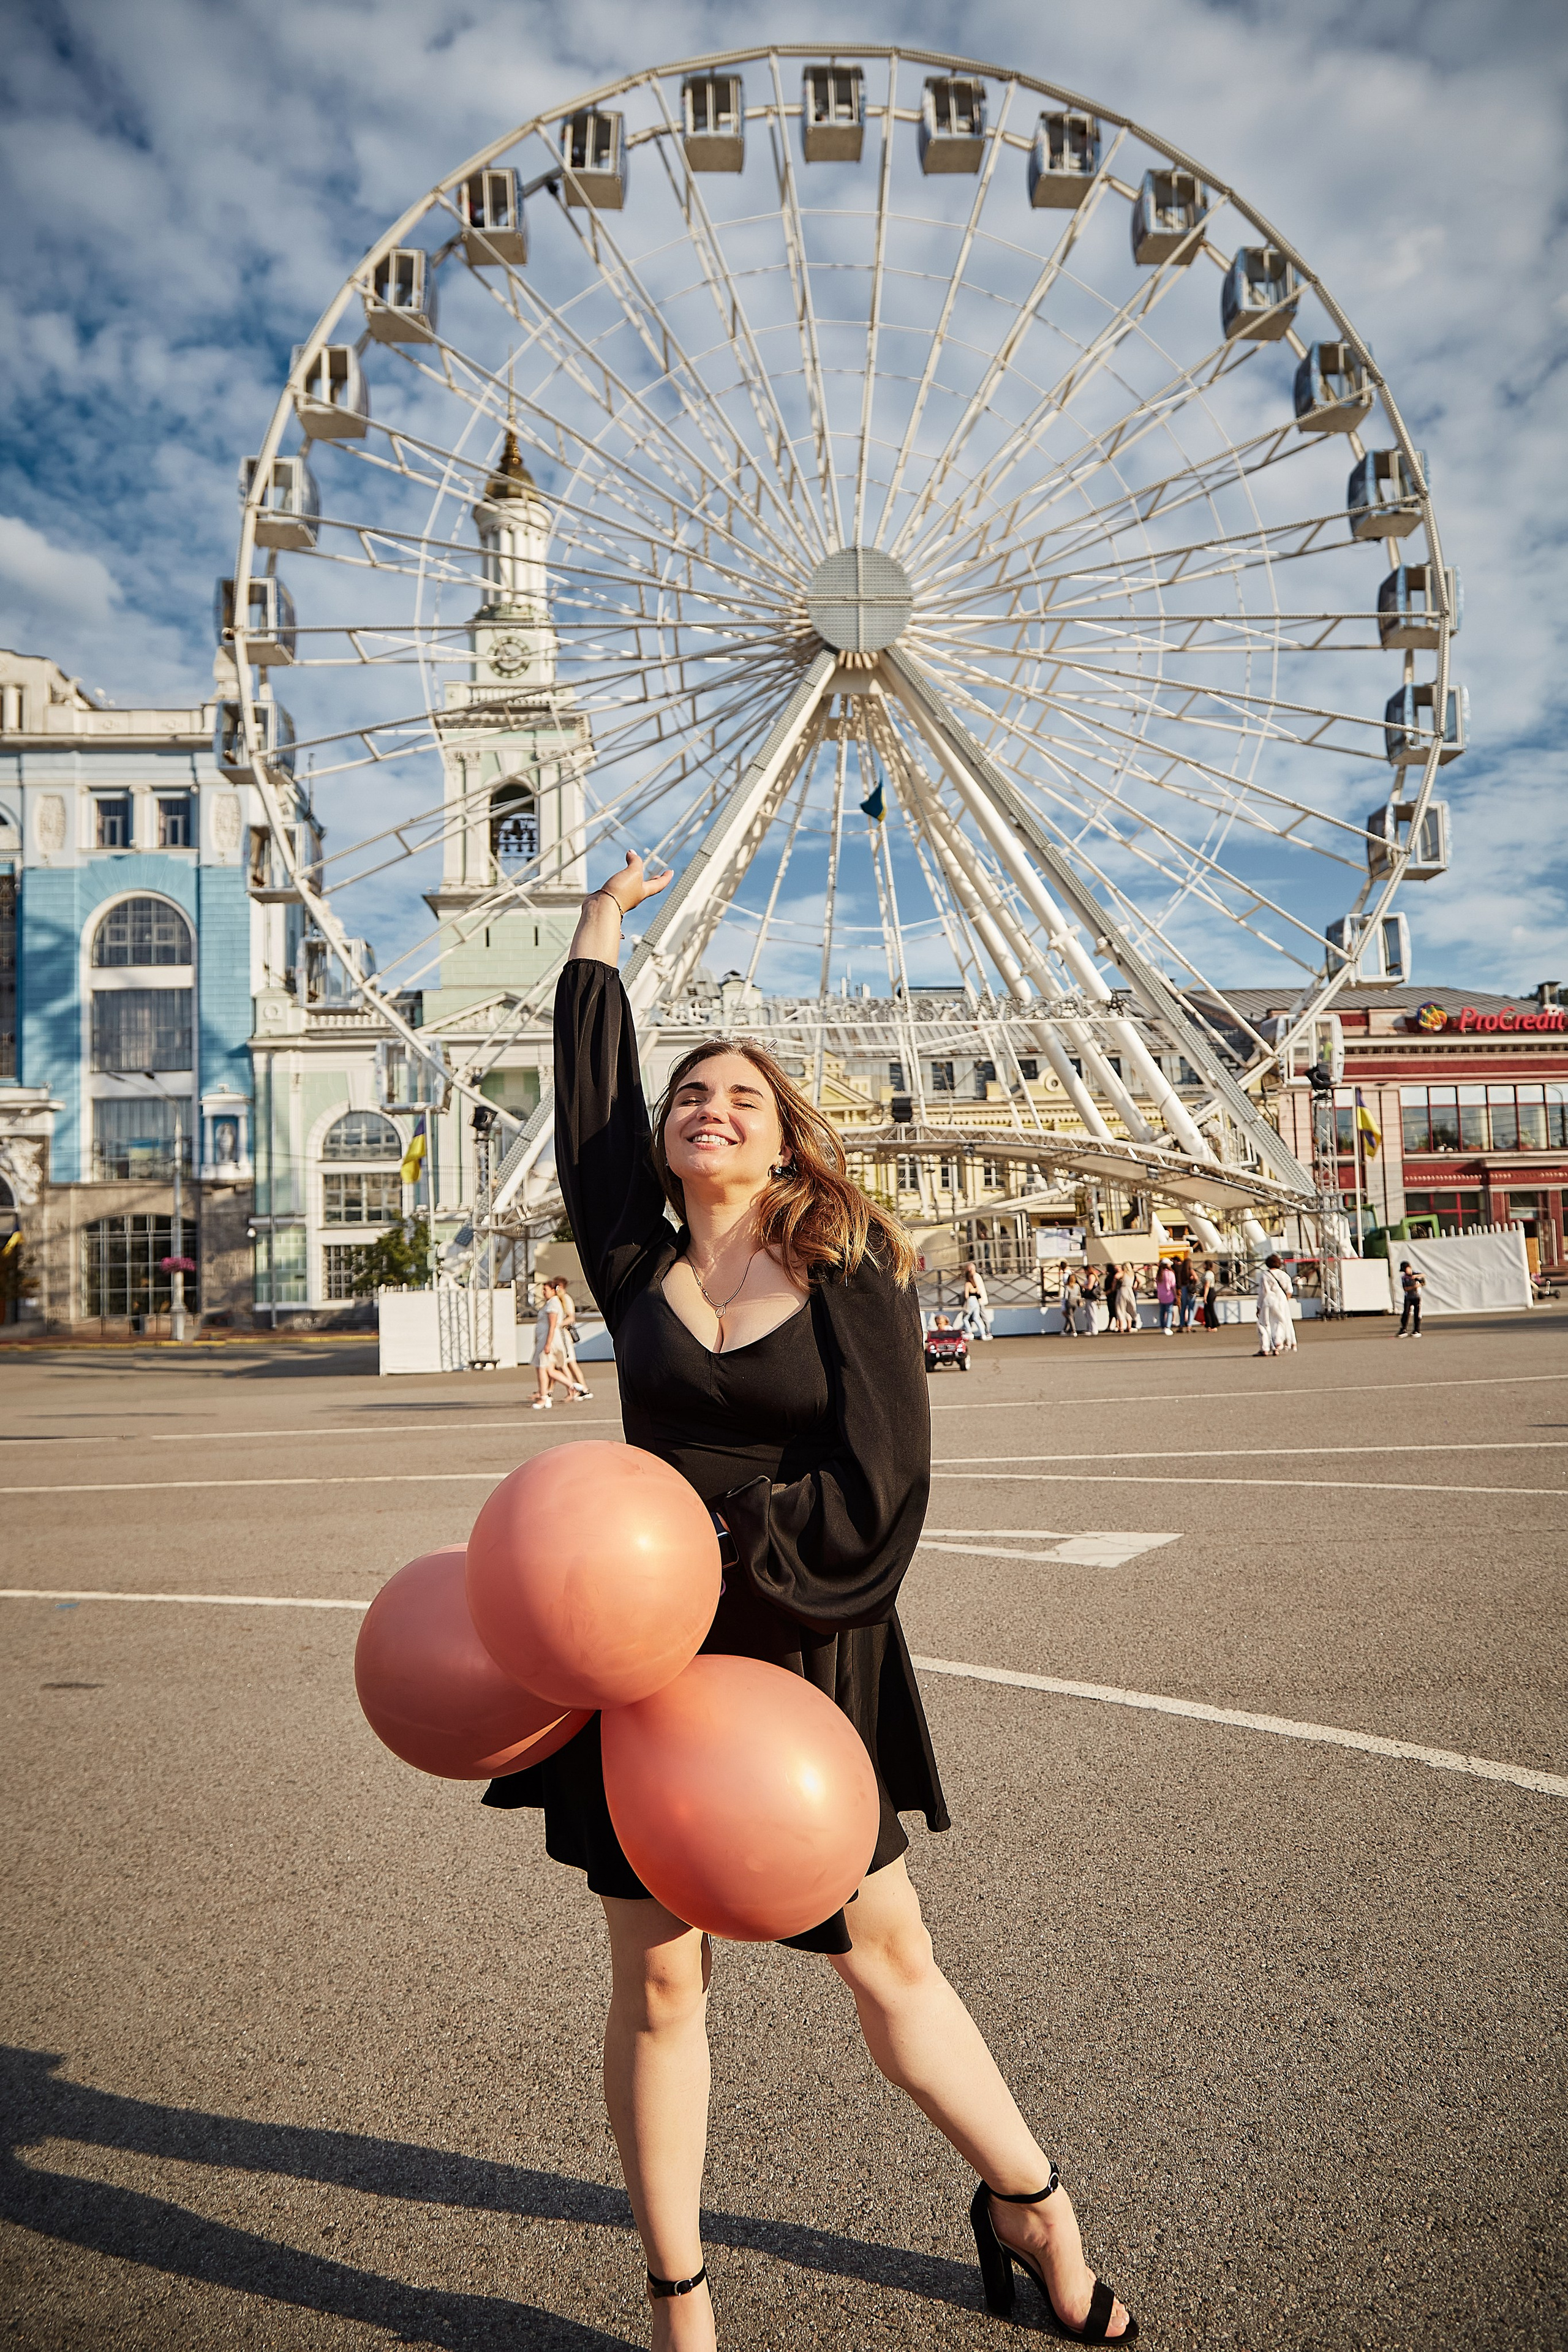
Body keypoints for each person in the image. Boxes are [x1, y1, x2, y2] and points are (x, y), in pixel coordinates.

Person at [487, 854, 1136, 2348]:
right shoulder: (632, 1258)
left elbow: (884, 1479)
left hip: (800, 1640)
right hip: (644, 1653)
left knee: (887, 1959)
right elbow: (587, 1113)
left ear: (786, 1138)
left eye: (739, 1096)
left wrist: (718, 1542)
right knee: (658, 1984)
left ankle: (1031, 2201)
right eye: (686, 1095)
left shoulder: (844, 1258)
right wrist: (598, 936)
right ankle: (678, 2296)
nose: (705, 1108)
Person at [529, 1278, 576, 1409]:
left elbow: (552, 1325)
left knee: (542, 1367)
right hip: (546, 1339)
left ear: (553, 1291)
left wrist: (548, 1344)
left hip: (548, 1339)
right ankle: (572, 1386)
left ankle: (544, 1397)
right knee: (549, 1369)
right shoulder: (551, 1303)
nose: (544, 1292)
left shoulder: (553, 1304)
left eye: (546, 1290)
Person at [552, 1275, 594, 1400]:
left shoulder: (566, 1299)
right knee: (563, 1365)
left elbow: (571, 1318)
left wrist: (557, 1325)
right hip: (561, 1336)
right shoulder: (559, 1299)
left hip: (564, 1336)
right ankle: (549, 1392)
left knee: (570, 1364)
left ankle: (582, 1389)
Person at [1254, 1254, 1297, 1357]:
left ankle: (1265, 1348)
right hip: (1282, 1301)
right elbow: (1290, 1291)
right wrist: (1284, 1301)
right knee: (1280, 1323)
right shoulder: (1284, 1275)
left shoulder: (1265, 1275)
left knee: (1264, 1324)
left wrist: (1259, 1306)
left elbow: (1263, 1292)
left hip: (1269, 1301)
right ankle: (1277, 1345)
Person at [960, 1259, 992, 1341]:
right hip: (977, 1300)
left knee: (969, 1317)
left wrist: (970, 1291)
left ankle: (974, 1332)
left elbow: (976, 1290)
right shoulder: (976, 1276)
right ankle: (984, 1333)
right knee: (976, 1317)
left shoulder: (974, 1277)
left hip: (977, 1300)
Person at [1396, 1259, 1425, 1338]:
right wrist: (1414, 1287)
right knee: (1406, 1313)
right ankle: (1403, 1329)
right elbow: (1406, 1289)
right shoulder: (1404, 1278)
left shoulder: (1416, 1274)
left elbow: (1423, 1277)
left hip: (1417, 1297)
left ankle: (1416, 1330)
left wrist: (1416, 1277)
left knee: (1417, 1314)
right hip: (1408, 1297)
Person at [1154, 1258, 1177, 1336]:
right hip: (1169, 1295)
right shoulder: (1170, 1273)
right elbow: (1173, 1286)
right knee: (1169, 1311)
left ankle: (1163, 1326)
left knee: (1162, 1311)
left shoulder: (1159, 1274)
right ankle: (1168, 1326)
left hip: (1161, 1295)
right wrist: (1175, 1295)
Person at [1059, 1264, 1082, 1337]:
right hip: (1075, 1302)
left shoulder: (1067, 1287)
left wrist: (1064, 1304)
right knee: (1071, 1316)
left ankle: (1074, 1330)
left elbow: (1066, 1297)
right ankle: (1065, 1329)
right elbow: (1079, 1294)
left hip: (1069, 1302)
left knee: (1070, 1316)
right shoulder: (1077, 1286)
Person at [1177, 1258, 1197, 1334]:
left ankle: (1181, 1325)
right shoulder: (1191, 1271)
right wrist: (1193, 1282)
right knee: (1191, 1308)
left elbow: (1179, 1282)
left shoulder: (1182, 1272)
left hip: (1184, 1288)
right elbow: (1196, 1278)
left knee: (1183, 1308)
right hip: (1190, 1290)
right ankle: (1189, 1326)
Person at [1199, 1264, 1219, 1333]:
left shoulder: (1208, 1274)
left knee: (1210, 1309)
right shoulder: (1210, 1273)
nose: (1203, 1266)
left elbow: (1207, 1285)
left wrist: (1205, 1296)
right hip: (1211, 1291)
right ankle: (1210, 1325)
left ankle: (1213, 1325)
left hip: (1209, 1292)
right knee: (1208, 1309)